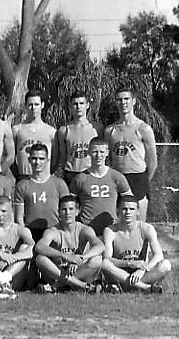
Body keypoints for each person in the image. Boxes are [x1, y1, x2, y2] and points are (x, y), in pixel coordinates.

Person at [105, 87, 157, 222]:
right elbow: (108, 158)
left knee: (138, 225)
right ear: (116, 102)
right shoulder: (110, 130)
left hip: (138, 178)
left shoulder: (143, 129)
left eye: (126, 99)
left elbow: (152, 162)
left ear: (133, 101)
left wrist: (144, 181)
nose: (123, 102)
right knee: (119, 222)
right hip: (118, 178)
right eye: (119, 99)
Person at [101, 196, 171, 293]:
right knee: (104, 263)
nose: (128, 212)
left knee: (166, 265)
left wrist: (143, 269)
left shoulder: (147, 228)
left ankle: (129, 287)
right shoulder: (110, 231)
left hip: (141, 274)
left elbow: (158, 255)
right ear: (118, 210)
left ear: (138, 211)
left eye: (132, 209)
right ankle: (145, 288)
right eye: (124, 209)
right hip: (119, 273)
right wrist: (130, 263)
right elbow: (107, 258)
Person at [34, 195, 104, 293]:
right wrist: (65, 256)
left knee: (97, 259)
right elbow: (39, 247)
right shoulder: (53, 231)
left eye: (71, 209)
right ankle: (82, 286)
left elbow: (100, 246)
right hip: (58, 271)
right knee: (40, 259)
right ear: (58, 212)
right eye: (64, 209)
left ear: (77, 211)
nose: (67, 213)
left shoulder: (85, 229)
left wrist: (80, 258)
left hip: (79, 269)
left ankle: (58, 286)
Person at [69, 138, 132, 235]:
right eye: (95, 152)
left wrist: (121, 220)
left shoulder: (117, 176)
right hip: (87, 229)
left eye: (102, 152)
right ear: (89, 152)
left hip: (111, 229)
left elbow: (129, 201)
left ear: (107, 153)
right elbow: (70, 204)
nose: (98, 156)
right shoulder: (80, 178)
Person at [14, 143, 69, 244]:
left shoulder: (59, 184)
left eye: (41, 159)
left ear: (47, 160)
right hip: (31, 232)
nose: (37, 162)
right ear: (29, 160)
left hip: (54, 231)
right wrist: (26, 238)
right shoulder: (22, 185)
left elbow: (67, 212)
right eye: (34, 158)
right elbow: (19, 218)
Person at [57, 91, 103, 185]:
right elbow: (63, 157)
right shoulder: (64, 130)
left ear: (87, 105)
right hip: (71, 174)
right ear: (70, 106)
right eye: (75, 104)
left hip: (91, 173)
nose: (78, 107)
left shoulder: (97, 128)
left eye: (81, 103)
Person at [12, 90, 57, 180]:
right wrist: (17, 174)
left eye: (36, 104)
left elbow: (55, 159)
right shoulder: (17, 129)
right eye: (30, 105)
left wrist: (47, 173)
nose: (33, 108)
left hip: (44, 178)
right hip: (24, 177)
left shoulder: (51, 131)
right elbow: (11, 155)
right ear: (25, 106)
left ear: (42, 105)